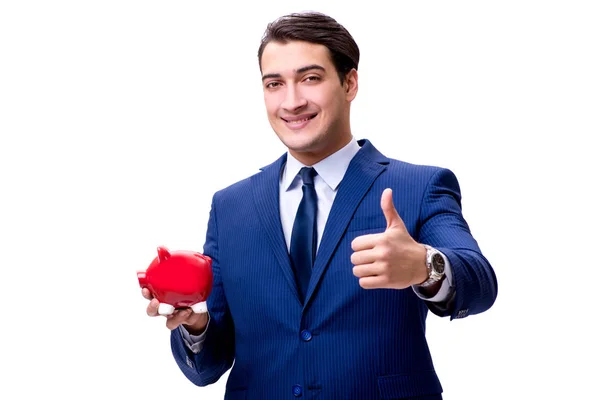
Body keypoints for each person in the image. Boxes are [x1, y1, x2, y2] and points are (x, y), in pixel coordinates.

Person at [142, 11, 497, 400]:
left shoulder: (418, 186)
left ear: (350, 83)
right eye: (274, 84)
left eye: (310, 78)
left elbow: (480, 283)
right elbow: (209, 365)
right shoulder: (230, 206)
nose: (292, 101)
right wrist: (195, 326)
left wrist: (423, 266)